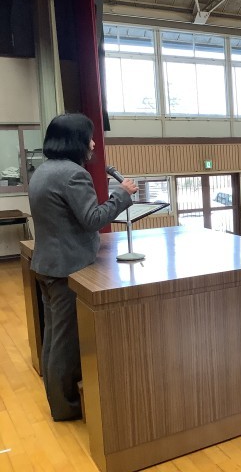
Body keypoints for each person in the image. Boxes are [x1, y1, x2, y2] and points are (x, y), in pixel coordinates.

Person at [29, 113, 138, 421]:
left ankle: (58, 400)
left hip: (47, 264)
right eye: (89, 138)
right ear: (75, 140)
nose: (93, 144)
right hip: (67, 269)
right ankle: (66, 408)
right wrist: (122, 194)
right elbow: (93, 219)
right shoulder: (73, 174)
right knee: (65, 344)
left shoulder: (43, 171)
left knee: (54, 338)